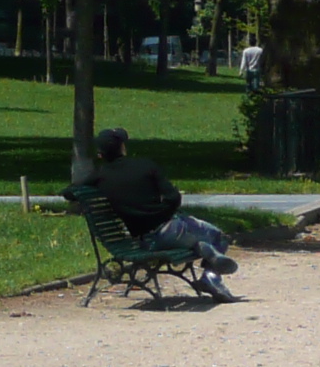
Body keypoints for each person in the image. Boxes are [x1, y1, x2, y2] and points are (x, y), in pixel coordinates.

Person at [87, 127, 240, 300]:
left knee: (192, 234)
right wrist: (164, 214)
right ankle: (210, 275)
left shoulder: (100, 175)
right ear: (122, 147)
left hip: (143, 241)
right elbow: (173, 197)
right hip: (170, 230)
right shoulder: (145, 165)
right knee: (218, 236)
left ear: (101, 154)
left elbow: (72, 191)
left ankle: (202, 247)